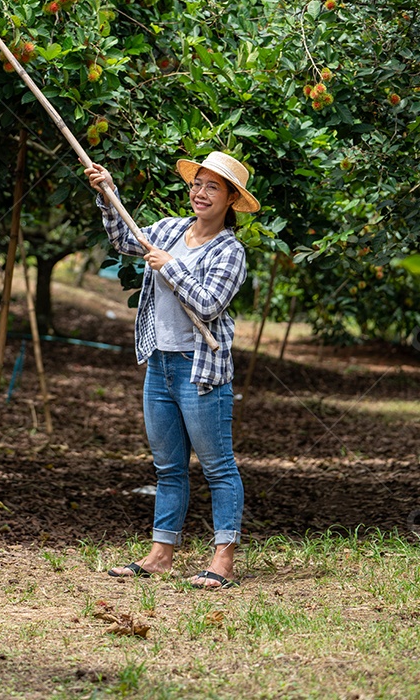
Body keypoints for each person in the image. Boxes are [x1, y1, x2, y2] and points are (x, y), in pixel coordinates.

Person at [85, 151, 260, 589]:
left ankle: (223, 560)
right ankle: (161, 554)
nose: (200, 193)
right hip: (158, 363)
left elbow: (208, 304)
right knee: (168, 467)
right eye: (197, 184)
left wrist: (172, 267)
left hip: (199, 370)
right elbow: (126, 240)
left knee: (217, 466)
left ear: (232, 199)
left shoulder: (230, 251)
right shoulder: (169, 229)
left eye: (212, 187)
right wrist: (108, 194)